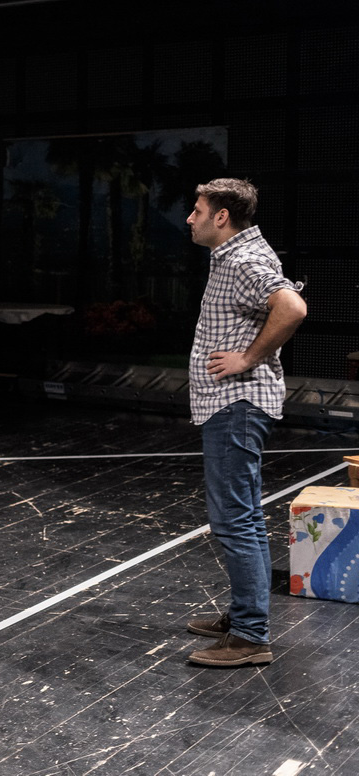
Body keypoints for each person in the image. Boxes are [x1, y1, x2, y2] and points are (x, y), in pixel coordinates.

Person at [183, 178, 306, 667]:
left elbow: (292, 307)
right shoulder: (236, 255)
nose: (190, 218)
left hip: (236, 404)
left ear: (221, 216)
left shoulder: (242, 260)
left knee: (234, 520)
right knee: (245, 517)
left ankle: (251, 636)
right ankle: (244, 615)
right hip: (232, 405)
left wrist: (248, 358)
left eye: (197, 210)